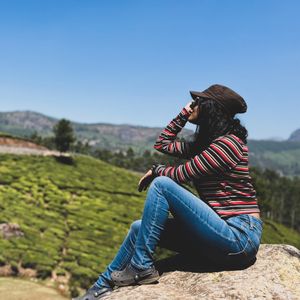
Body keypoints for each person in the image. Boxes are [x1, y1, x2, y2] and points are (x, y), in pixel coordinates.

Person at [73, 84, 263, 300]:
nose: (193, 105)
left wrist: (156, 171)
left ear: (211, 108)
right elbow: (162, 143)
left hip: (238, 237)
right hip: (219, 234)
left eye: (198, 102)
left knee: (162, 185)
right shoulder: (207, 145)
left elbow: (183, 174)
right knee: (138, 228)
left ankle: (141, 266)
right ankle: (98, 289)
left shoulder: (228, 144)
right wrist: (183, 114)